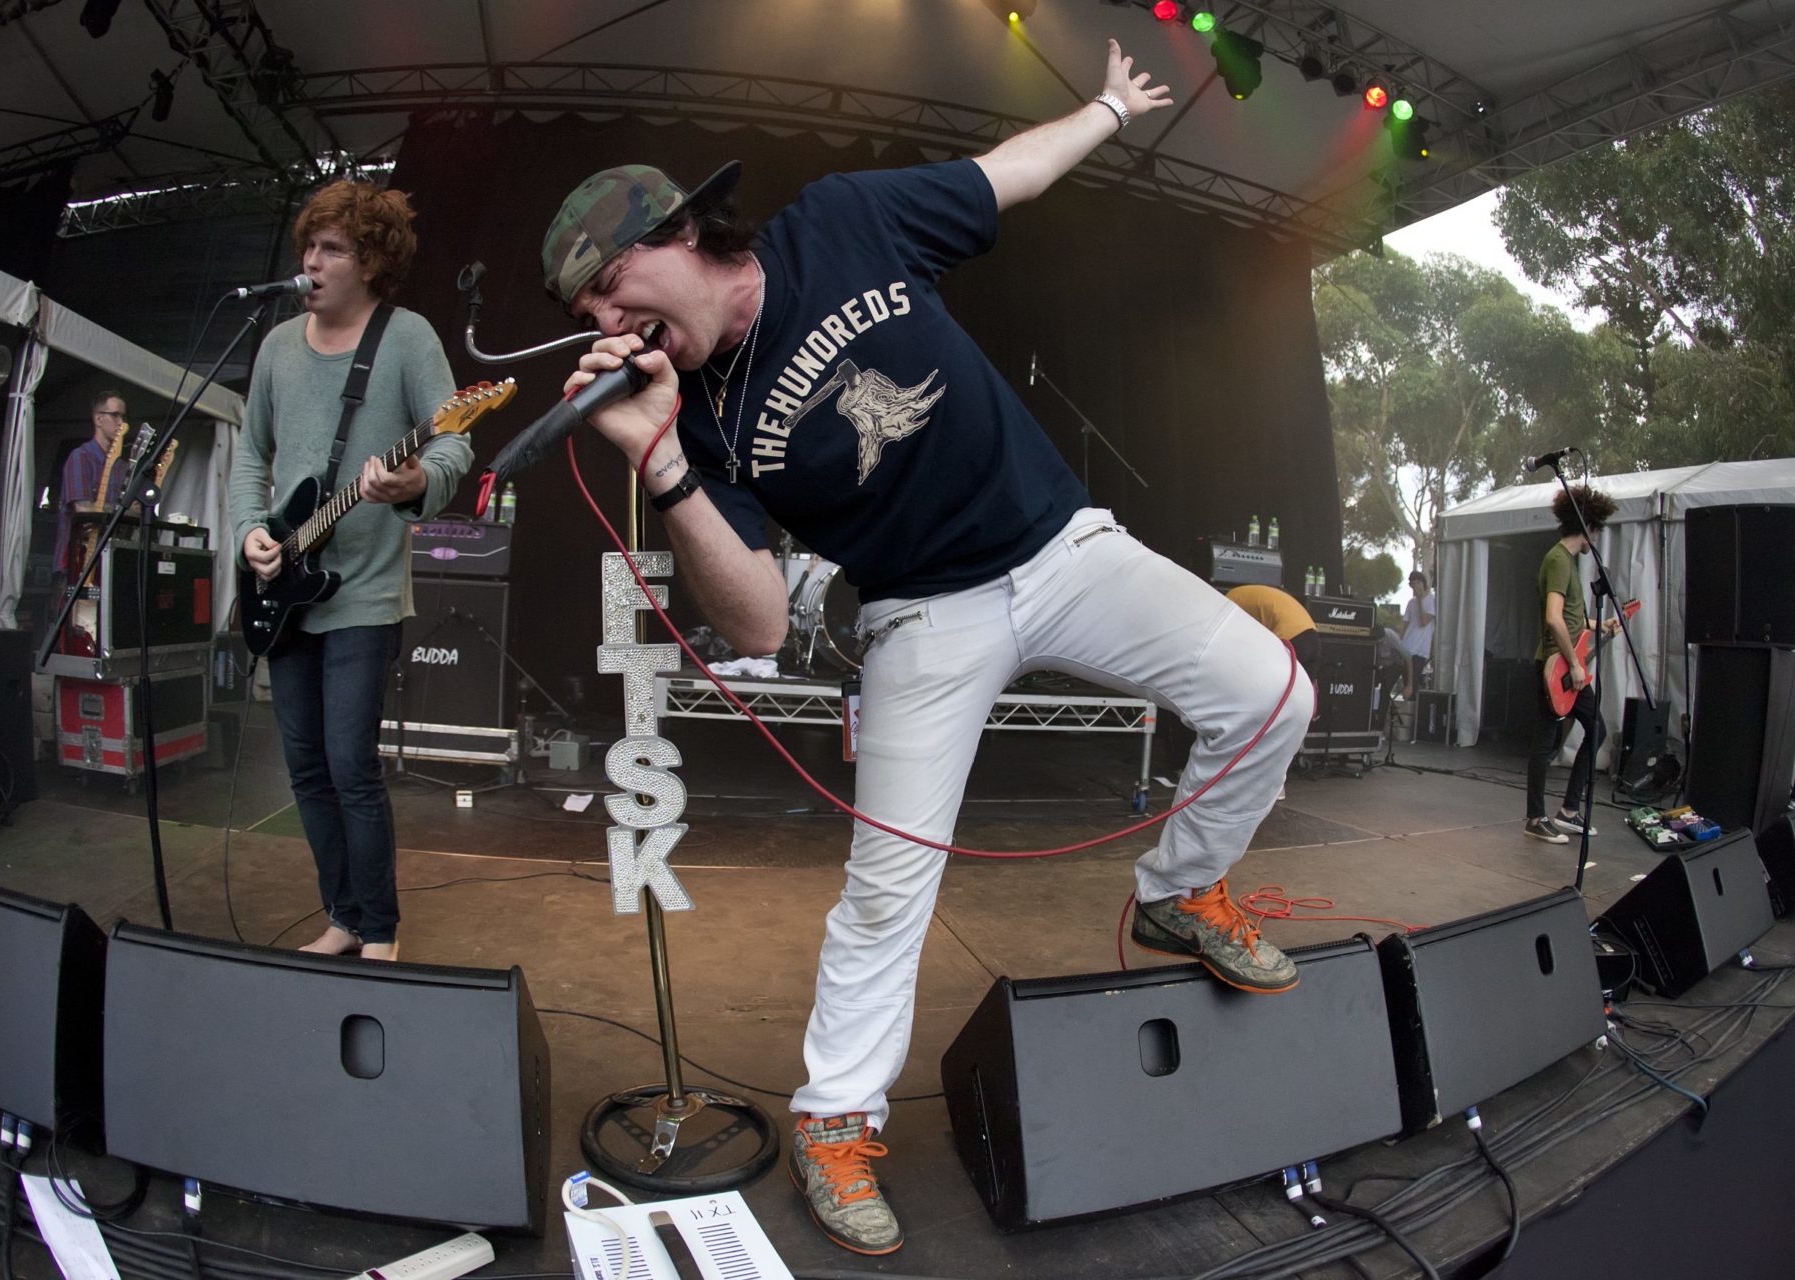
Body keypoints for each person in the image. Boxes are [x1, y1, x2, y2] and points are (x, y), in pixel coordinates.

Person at [543, 39, 1313, 1256]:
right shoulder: (700, 417)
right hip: (921, 614)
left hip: (1062, 545)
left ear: (674, 235)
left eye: (602, 286)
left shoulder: (836, 223)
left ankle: (1182, 889)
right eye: (584, 313)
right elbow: (750, 622)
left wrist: (1110, 107)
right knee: (887, 888)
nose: (598, 320)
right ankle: (836, 1117)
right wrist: (660, 460)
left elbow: (1005, 175)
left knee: (1275, 691)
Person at [228, 181, 469, 962]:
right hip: (283, 584)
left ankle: (380, 930)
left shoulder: (406, 338)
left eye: (332, 248)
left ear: (372, 260)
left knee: (349, 765)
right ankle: (341, 913)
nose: (312, 261)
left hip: (363, 590)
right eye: (309, 246)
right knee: (302, 766)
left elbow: (452, 442)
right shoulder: (273, 348)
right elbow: (249, 453)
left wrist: (415, 483)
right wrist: (248, 533)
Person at [1525, 485, 1621, 844]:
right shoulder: (1558, 560)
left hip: (1565, 665)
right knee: (1546, 740)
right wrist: (1575, 664)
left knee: (1594, 729)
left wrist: (1602, 624)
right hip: (1556, 668)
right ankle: (1536, 817)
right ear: (1588, 527)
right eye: (1596, 530)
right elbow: (1553, 618)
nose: (1595, 539)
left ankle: (1567, 811)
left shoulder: (1565, 562)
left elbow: (1571, 618)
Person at [53, 389, 129, 577]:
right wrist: (119, 512)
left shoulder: (122, 467)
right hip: (75, 562)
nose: (121, 423)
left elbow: (134, 510)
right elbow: (84, 511)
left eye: (123, 417)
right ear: (98, 419)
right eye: (115, 415)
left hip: (109, 564)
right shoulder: (80, 457)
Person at [1226, 583, 1319, 675]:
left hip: (1291, 638)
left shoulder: (1230, 600)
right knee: (1305, 688)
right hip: (1312, 636)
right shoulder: (1255, 594)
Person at [1400, 568, 1434, 696]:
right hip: (1407, 645)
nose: (1416, 586)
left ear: (1423, 583)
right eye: (1413, 584)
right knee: (1406, 682)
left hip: (1420, 649)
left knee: (1413, 684)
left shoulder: (1432, 600)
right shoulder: (1411, 603)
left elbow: (1424, 621)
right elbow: (1405, 624)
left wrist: (1420, 600)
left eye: (1418, 583)